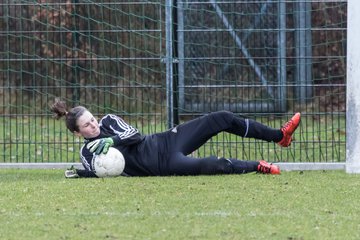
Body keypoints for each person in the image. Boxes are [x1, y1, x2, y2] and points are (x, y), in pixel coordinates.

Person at [50, 98, 300, 178]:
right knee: (211, 165)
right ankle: (258, 166)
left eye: (92, 119)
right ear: (77, 133)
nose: (94, 125)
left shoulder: (109, 121)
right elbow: (100, 172)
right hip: (162, 166)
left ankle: (280, 136)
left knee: (220, 118)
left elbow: (135, 135)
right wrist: (81, 173)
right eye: (87, 125)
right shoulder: (87, 153)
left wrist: (112, 141)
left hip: (164, 142)